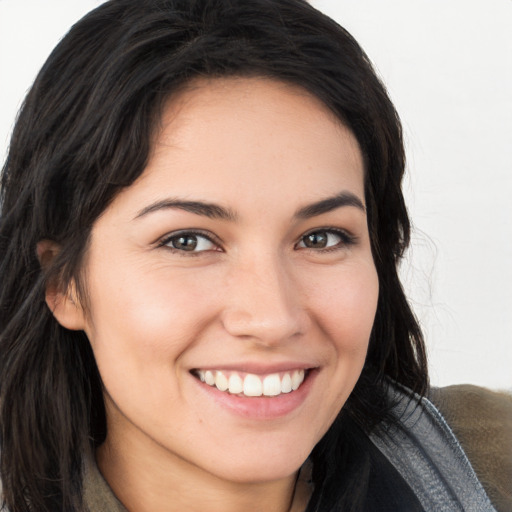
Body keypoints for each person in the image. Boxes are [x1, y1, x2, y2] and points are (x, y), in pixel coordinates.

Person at [0, 1, 510, 511]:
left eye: (321, 238)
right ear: (62, 282)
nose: (272, 318)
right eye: (188, 241)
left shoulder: (491, 467)